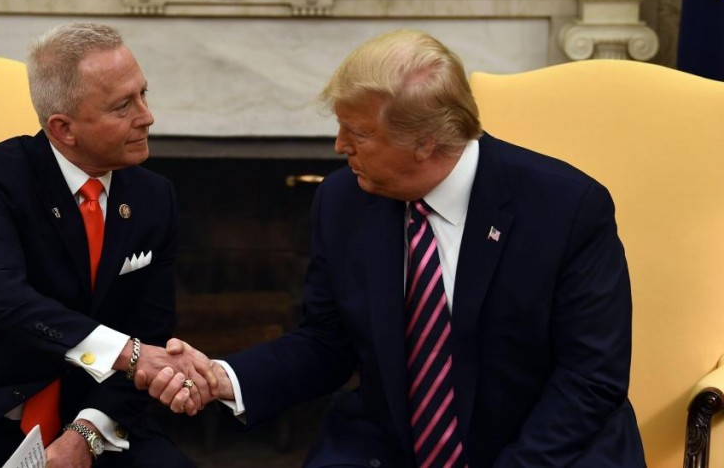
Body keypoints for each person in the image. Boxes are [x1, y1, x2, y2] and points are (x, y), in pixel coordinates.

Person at [141, 30, 646, 467]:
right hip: (391, 443)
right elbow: (326, 343)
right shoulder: (342, 200)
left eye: (359, 133)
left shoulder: (566, 208)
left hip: (543, 446)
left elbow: (590, 379)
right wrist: (223, 377)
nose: (340, 145)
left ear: (427, 142)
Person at [0, 22, 213, 468]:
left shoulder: (154, 197)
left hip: (90, 413)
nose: (146, 116)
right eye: (122, 106)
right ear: (63, 128)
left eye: (143, 94)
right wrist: (128, 355)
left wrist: (85, 436)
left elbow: (152, 334)